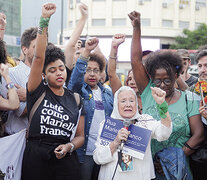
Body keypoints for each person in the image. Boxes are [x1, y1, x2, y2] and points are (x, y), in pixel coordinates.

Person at [128, 11, 204, 179]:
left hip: (177, 169)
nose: (162, 86)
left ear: (176, 77)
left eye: (167, 81)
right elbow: (135, 61)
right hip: (147, 168)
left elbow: (198, 134)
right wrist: (137, 27)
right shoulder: (148, 92)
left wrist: (173, 158)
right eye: (157, 81)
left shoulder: (189, 99)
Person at [21, 3, 85, 180]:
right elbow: (39, 56)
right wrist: (44, 21)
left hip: (65, 161)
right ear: (43, 75)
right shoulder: (36, 90)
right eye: (52, 70)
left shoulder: (77, 99)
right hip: (37, 158)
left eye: (61, 68)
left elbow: (80, 136)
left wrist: (69, 147)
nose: (58, 73)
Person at [93, 86, 172, 180]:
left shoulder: (145, 121)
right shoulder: (107, 125)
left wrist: (162, 105)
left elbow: (164, 133)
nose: (128, 105)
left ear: (136, 103)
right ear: (116, 104)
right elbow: (98, 158)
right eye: (123, 101)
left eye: (131, 100)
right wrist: (115, 143)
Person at [68, 37, 114, 180]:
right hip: (85, 152)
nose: (92, 74)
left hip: (104, 150)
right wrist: (87, 50)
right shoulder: (78, 90)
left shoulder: (107, 92)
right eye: (88, 70)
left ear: (101, 73)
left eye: (96, 70)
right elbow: (75, 78)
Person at [0, 27, 37, 135]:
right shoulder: (11, 74)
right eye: (36, 47)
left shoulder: (50, 75)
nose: (41, 51)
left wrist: (29, 95)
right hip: (15, 139)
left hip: (39, 144)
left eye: (43, 47)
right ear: (25, 49)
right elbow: (18, 109)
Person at [188, 49, 207, 180]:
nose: (202, 70)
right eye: (200, 66)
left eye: (206, 66)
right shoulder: (192, 90)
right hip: (197, 157)